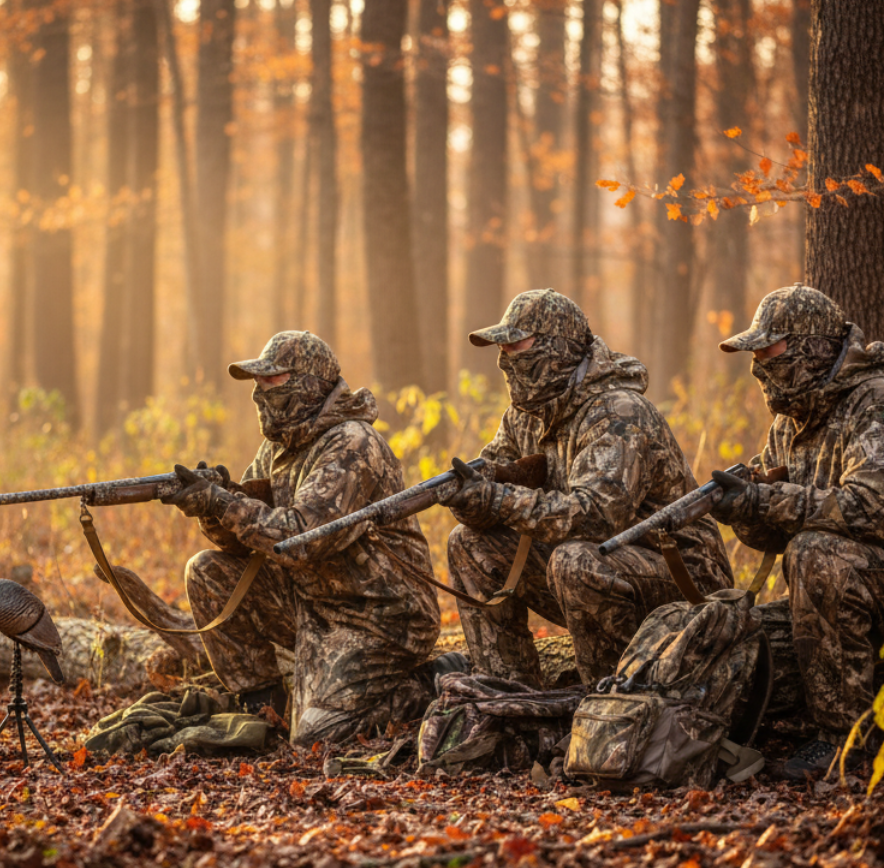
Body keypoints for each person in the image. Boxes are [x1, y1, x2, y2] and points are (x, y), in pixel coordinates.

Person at [163, 331, 445, 747]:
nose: (260, 393)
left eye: (273, 382)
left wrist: (223, 504)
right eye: (258, 384)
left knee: (316, 735)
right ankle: (263, 707)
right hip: (313, 603)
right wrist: (212, 511)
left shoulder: (352, 444)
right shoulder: (278, 447)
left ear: (309, 385)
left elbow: (302, 538)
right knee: (207, 571)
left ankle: (428, 684)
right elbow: (246, 545)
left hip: (380, 617)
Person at [442, 289, 733, 686]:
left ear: (555, 347)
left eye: (516, 344)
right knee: (467, 542)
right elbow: (499, 477)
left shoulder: (618, 412)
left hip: (684, 578)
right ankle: (509, 694)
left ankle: (610, 705)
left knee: (575, 560)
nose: (505, 356)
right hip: (609, 569)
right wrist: (470, 499)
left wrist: (499, 500)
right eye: (502, 346)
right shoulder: (526, 414)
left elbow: (595, 518)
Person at [707, 284, 884, 780]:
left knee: (814, 553)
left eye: (770, 349)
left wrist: (766, 498)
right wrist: (741, 510)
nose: (760, 363)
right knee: (740, 641)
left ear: (810, 346)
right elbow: (770, 536)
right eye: (755, 352)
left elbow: (872, 507)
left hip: (864, 583)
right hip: (841, 599)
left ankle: (847, 744)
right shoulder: (790, 422)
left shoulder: (872, 401)